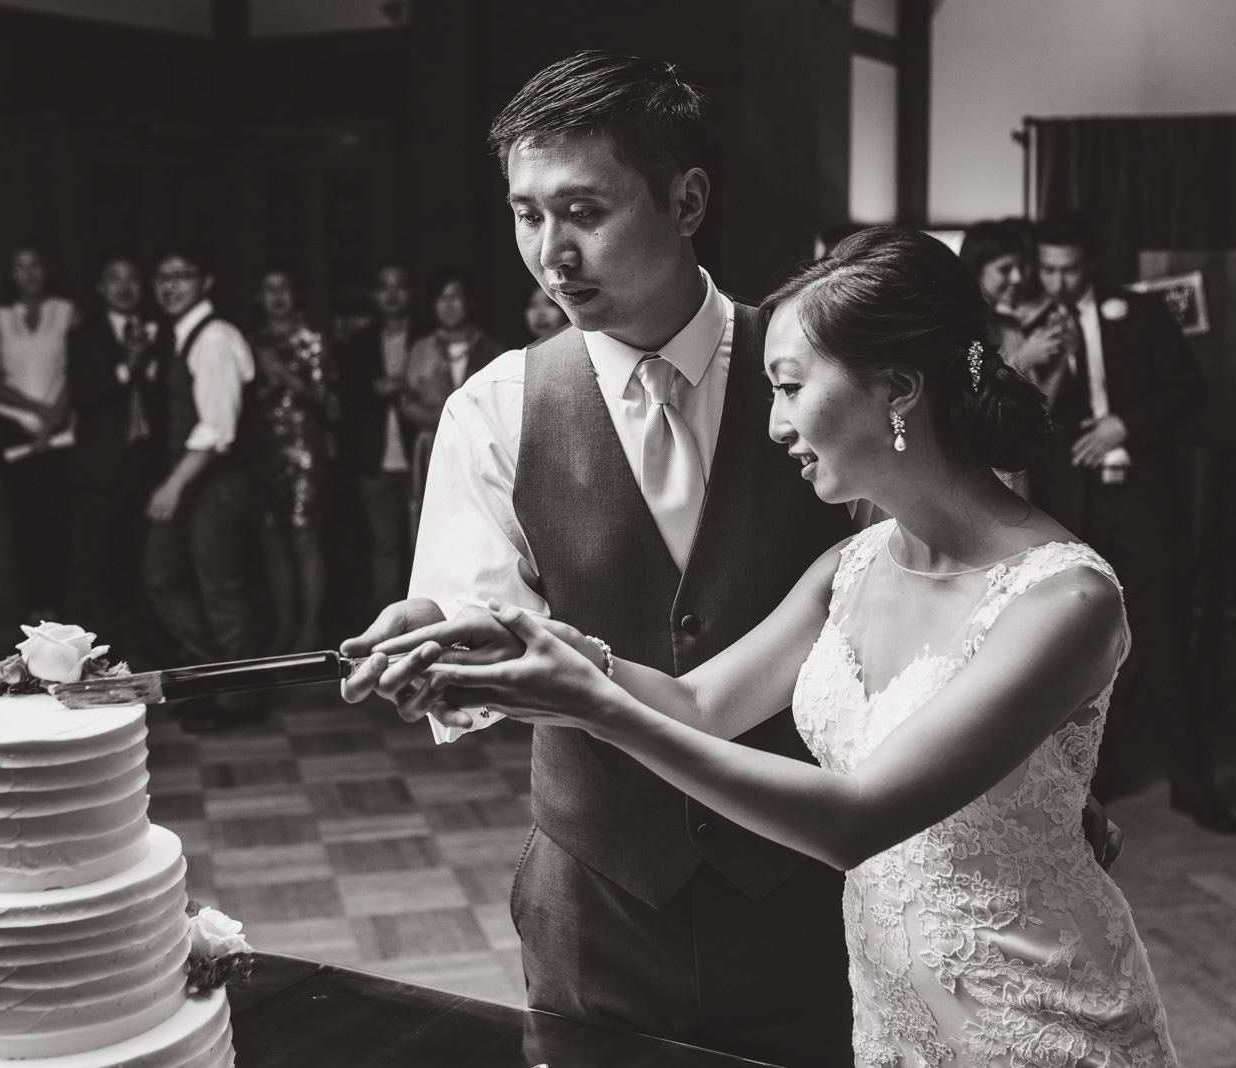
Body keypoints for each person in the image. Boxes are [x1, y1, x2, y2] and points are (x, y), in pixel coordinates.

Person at [381, 226, 1178, 1067]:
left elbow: (858, 819)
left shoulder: (1067, 601)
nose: (773, 425)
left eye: (791, 389)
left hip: (1037, 1020)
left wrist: (595, 709)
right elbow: (701, 704)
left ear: (898, 388)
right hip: (893, 1025)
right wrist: (533, 645)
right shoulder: (851, 566)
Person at [341, 52, 859, 1065]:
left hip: (810, 887)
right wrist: (441, 645)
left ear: (686, 198)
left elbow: (911, 596)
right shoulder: (493, 408)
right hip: (596, 903)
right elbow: (482, 633)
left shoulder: (811, 375)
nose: (550, 253)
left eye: (582, 210)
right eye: (526, 214)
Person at [1033, 216, 1236, 834]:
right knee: (1080, 645)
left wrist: (1126, 422)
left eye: (1068, 267)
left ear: (1090, 264)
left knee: (1167, 636)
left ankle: (1194, 786)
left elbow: (1190, 391)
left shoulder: (1143, 313)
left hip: (1142, 498)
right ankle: (1100, 778)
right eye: (1048, 268)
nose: (1058, 280)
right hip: (1071, 502)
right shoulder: (1032, 323)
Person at [142, 247, 262, 717]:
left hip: (219, 482)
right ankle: (212, 679)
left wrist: (172, 485)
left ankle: (238, 701)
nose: (170, 285)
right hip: (200, 481)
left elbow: (217, 429)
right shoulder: (183, 336)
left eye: (182, 275)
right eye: (162, 276)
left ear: (205, 281)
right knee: (164, 575)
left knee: (221, 590)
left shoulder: (213, 338)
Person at [67, 254, 169, 649]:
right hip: (102, 467)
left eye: (132, 278)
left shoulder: (161, 331)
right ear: (100, 288)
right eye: (114, 278)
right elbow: (83, 397)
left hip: (151, 463)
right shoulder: (84, 337)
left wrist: (151, 363)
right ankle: (105, 645)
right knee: (102, 559)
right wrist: (127, 367)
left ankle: (149, 639)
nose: (124, 286)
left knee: (148, 559)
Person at [0, 246, 76, 619]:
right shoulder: (1, 318)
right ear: (11, 275)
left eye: (35, 264)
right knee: (25, 520)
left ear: (46, 270)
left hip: (63, 430)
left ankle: (61, 603)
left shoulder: (66, 311)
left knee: (58, 518)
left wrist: (54, 420)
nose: (29, 273)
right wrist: (37, 412)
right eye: (20, 266)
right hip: (14, 429)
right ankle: (32, 608)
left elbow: (78, 370)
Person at [250, 268, 335, 653]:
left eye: (284, 288)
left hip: (303, 449)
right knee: (271, 540)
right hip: (262, 451)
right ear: (259, 297)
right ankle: (284, 625)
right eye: (269, 289)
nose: (277, 297)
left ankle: (311, 626)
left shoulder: (311, 338)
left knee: (304, 537)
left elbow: (322, 396)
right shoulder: (252, 340)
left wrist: (279, 371)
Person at [334, 264, 416, 616]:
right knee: (384, 545)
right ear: (373, 294)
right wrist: (378, 388)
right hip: (373, 460)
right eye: (384, 286)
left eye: (400, 285)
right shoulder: (359, 342)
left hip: (422, 457)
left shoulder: (427, 336)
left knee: (425, 545)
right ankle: (387, 626)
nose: (392, 293)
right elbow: (346, 401)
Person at [402, 266, 504, 540]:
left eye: (455, 296)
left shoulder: (492, 348)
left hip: (478, 453)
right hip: (432, 448)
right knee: (434, 527)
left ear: (470, 301)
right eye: (440, 298)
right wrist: (448, 420)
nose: (448, 304)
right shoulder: (421, 348)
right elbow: (407, 402)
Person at [959, 220, 1072, 404]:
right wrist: (1024, 358)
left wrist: (1063, 355)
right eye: (1005, 269)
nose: (1018, 278)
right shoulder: (956, 327)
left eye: (1020, 267)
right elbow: (971, 404)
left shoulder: (1010, 326)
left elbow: (1041, 408)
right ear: (976, 269)